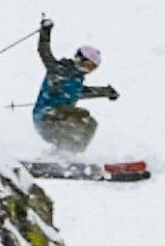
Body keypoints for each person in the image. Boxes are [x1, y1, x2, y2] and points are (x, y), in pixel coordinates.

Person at [30, 17, 116, 151]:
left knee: (91, 124)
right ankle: (64, 151)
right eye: (87, 64)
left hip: (60, 121)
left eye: (92, 68)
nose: (87, 70)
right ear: (79, 58)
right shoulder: (58, 69)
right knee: (78, 114)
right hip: (45, 117)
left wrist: (106, 92)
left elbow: (84, 92)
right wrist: (46, 31)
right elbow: (44, 52)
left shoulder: (77, 81)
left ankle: (72, 154)